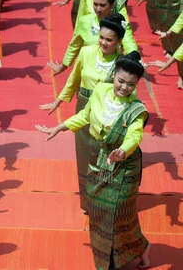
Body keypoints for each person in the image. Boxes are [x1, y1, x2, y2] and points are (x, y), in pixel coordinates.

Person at [36, 51, 151, 270]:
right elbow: (85, 116)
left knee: (116, 213)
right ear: (114, 75)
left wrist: (123, 151)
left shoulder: (137, 109)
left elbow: (134, 136)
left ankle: (111, 263)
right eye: (121, 81)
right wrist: (59, 127)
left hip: (125, 166)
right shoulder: (100, 91)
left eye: (131, 84)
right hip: (99, 160)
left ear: (136, 85)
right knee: (98, 210)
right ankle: (140, 247)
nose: (124, 87)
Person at [40, 13, 126, 213]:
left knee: (104, 156)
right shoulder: (86, 52)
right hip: (84, 108)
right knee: (86, 154)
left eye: (109, 40)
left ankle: (105, 200)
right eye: (101, 38)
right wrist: (58, 101)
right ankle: (88, 201)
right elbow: (73, 79)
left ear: (119, 41)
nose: (104, 42)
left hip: (109, 114)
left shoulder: (121, 63)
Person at [49, 0, 137, 76]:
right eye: (95, 4)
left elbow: (129, 42)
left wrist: (135, 58)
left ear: (112, 5)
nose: (98, 9)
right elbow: (75, 44)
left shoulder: (118, 23)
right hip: (87, 70)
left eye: (103, 5)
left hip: (109, 71)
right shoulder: (85, 21)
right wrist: (63, 66)